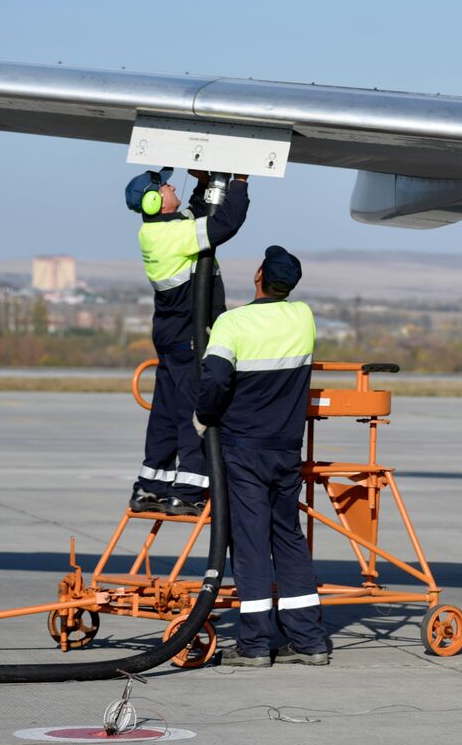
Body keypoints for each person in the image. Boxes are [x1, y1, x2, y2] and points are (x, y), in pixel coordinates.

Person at [196, 246, 328, 667]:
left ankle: (254, 644)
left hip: (244, 448)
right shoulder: (303, 318)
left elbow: (215, 378)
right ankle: (309, 640)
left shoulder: (232, 323)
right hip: (286, 448)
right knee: (287, 537)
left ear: (257, 276)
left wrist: (203, 417)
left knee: (251, 541)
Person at [126, 167, 249, 516]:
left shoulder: (158, 232)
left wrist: (201, 184)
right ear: (154, 201)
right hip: (188, 338)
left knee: (164, 414)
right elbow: (224, 224)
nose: (169, 185)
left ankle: (150, 487)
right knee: (192, 413)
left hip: (171, 335)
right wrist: (239, 183)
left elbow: (196, 217)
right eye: (163, 186)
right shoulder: (175, 236)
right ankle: (189, 490)